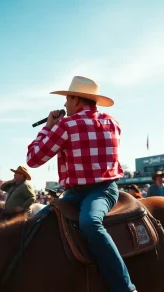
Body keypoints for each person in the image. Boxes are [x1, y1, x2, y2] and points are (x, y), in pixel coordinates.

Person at [27, 76, 137, 292]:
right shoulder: (113, 122)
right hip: (105, 189)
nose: (65, 105)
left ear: (77, 100)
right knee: (84, 222)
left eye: (67, 99)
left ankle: (125, 288)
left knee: (86, 223)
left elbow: (33, 159)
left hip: (83, 192)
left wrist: (48, 127)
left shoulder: (67, 125)